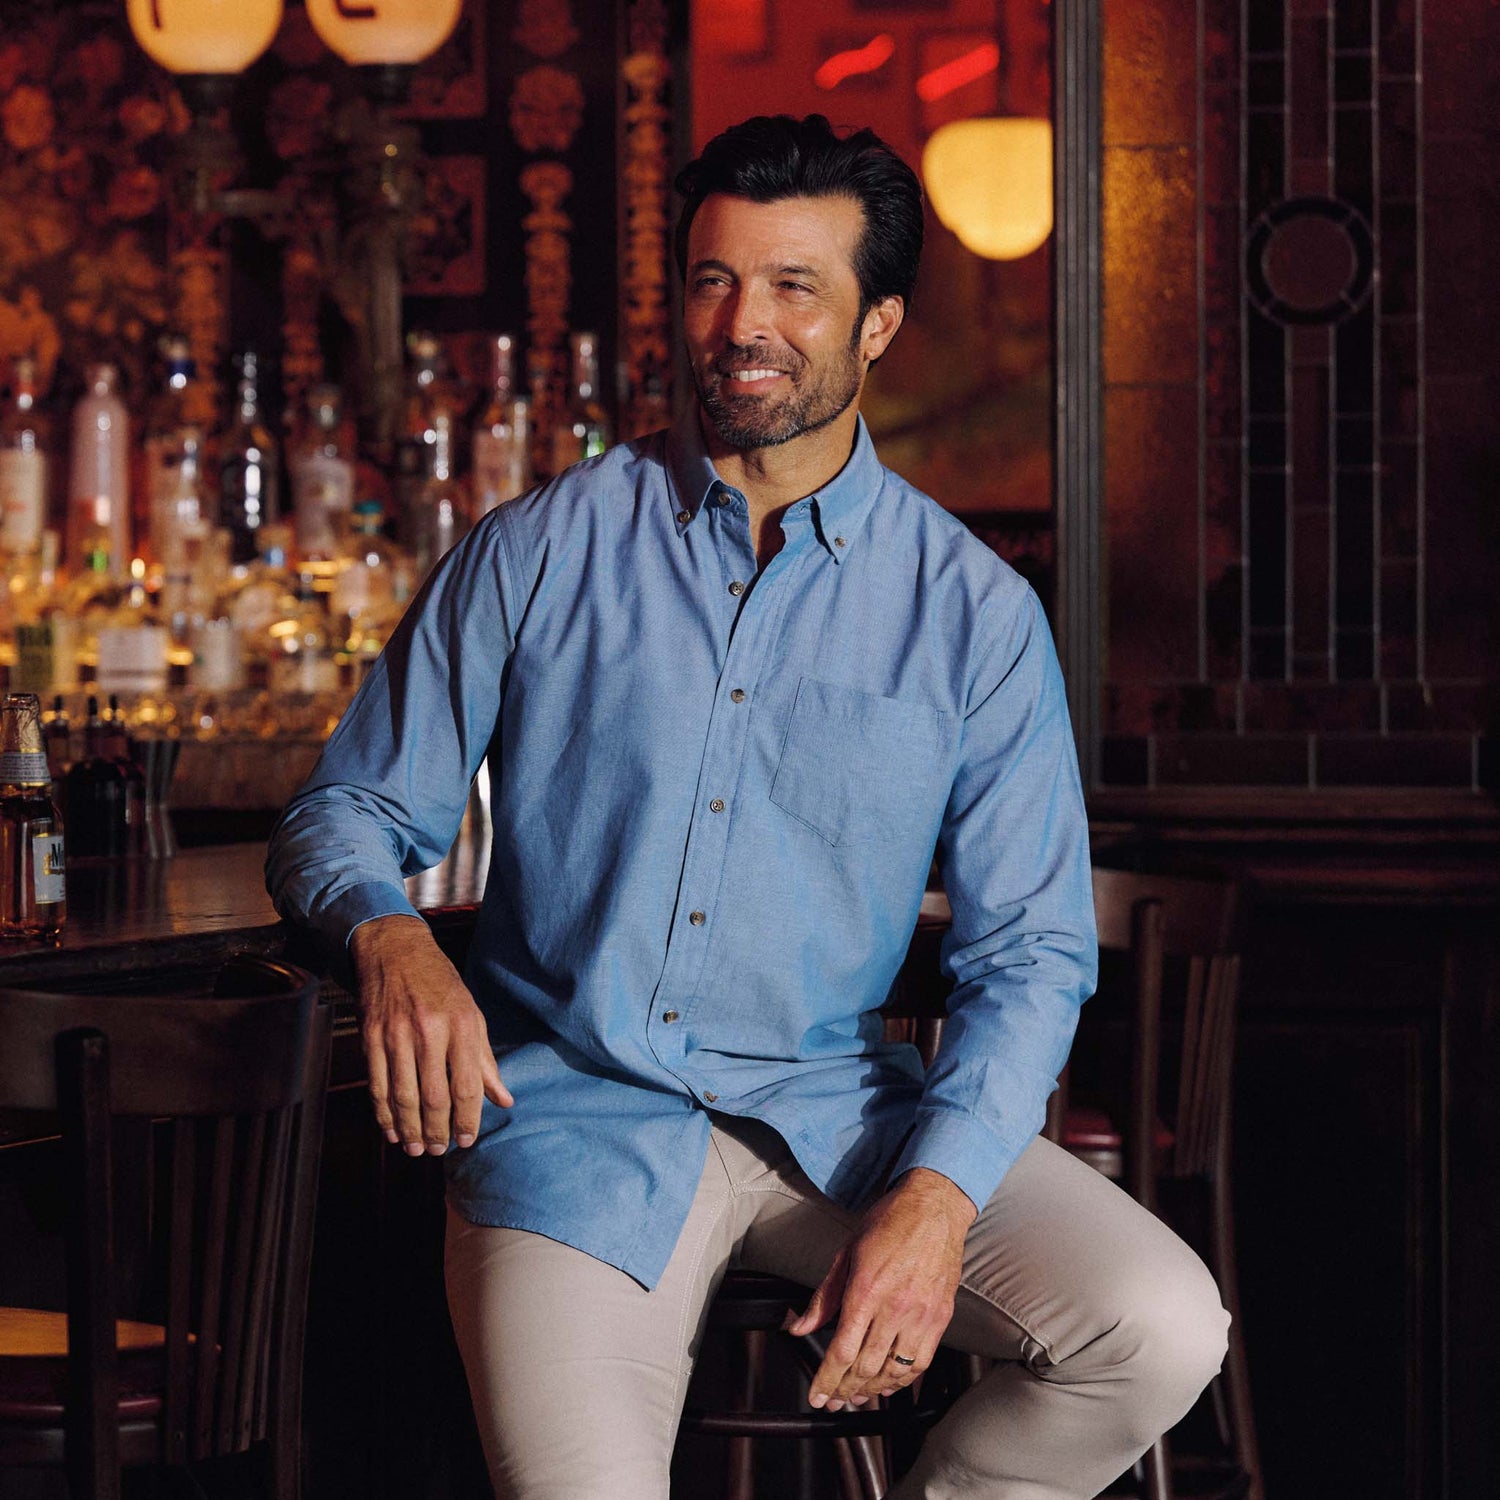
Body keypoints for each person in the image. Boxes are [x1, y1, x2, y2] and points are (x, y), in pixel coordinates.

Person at [267, 113, 1228, 1500]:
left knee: (1157, 1325)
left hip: (844, 1121)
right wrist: (389, 936)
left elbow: (1031, 955)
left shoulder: (973, 617)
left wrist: (939, 1198)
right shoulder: (537, 550)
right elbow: (343, 809)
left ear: (878, 324)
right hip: (575, 1133)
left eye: (795, 287)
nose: (741, 324)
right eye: (714, 280)